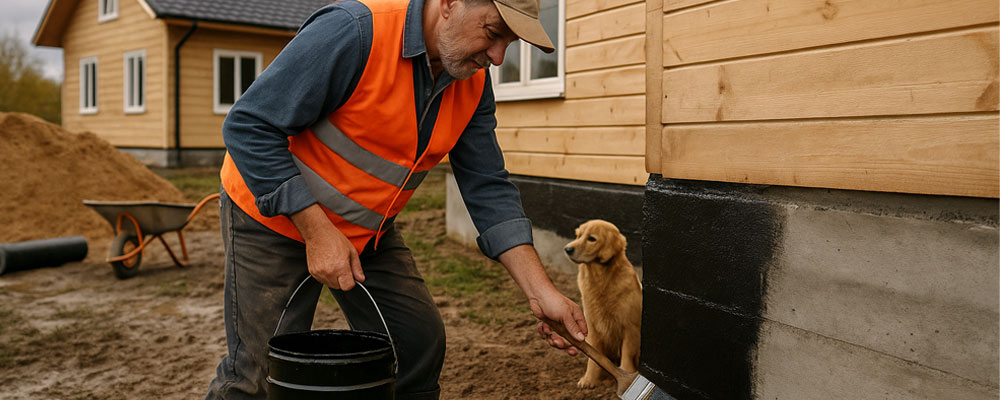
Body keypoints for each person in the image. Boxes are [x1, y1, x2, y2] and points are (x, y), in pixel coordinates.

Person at [205, 0, 589, 397]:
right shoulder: (354, 32)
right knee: (257, 374)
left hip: (364, 230)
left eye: (508, 43)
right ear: (449, 4)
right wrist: (318, 233)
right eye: (493, 34)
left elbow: (487, 185)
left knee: (416, 343)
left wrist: (541, 292)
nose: (496, 57)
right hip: (270, 219)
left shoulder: (471, 83)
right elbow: (249, 125)